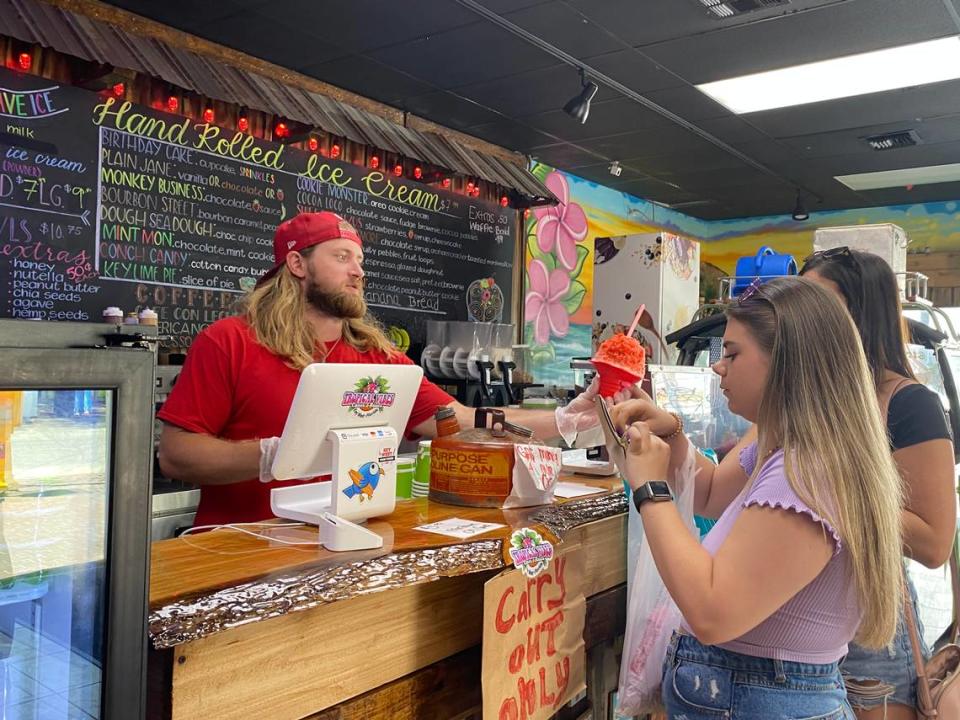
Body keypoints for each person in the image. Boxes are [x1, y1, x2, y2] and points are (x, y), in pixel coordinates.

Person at [158, 211, 599, 527]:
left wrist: (564, 421)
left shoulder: (378, 357)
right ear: (297, 264)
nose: (359, 272)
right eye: (342, 257)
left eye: (360, 261)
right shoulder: (230, 341)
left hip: (350, 547)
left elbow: (462, 422)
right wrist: (272, 455)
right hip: (240, 550)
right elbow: (176, 455)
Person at [609, 277, 904, 719]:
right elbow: (708, 493)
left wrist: (650, 489)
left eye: (732, 353)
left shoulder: (808, 471)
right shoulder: (783, 440)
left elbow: (712, 612)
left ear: (787, 362)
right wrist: (671, 433)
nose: (718, 367)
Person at [801, 247, 956, 720]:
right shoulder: (805, 397)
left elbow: (933, 540)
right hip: (794, 620)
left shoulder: (909, 404)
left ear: (859, 312)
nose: (802, 318)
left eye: (819, 304)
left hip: (870, 631)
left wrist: (832, 491)